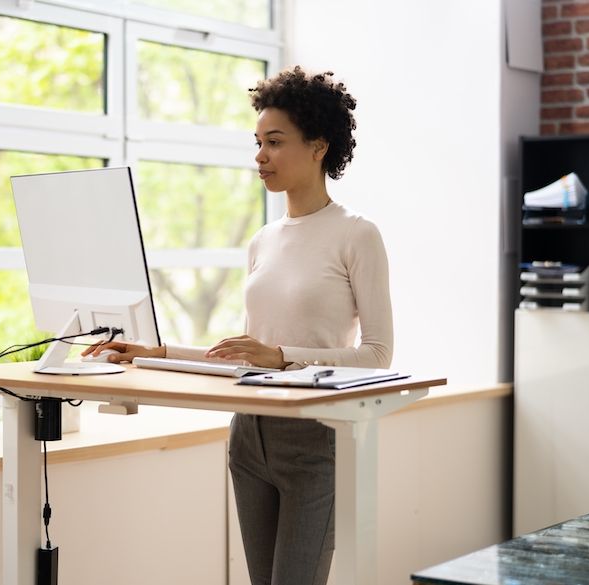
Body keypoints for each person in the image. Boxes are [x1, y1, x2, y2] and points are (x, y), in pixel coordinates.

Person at [82, 65, 392, 585]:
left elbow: (378, 356)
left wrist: (283, 356)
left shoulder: (357, 235)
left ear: (319, 147)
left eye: (274, 142)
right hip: (248, 436)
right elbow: (241, 357)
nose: (260, 157)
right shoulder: (263, 240)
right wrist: (153, 353)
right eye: (257, 142)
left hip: (316, 441)